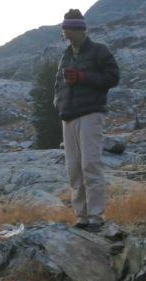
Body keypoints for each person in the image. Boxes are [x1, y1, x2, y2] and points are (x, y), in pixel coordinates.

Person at [54, 9, 120, 232]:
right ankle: (81, 216)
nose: (66, 33)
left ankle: (96, 217)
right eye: (64, 29)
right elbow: (58, 82)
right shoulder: (66, 54)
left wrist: (83, 77)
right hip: (69, 116)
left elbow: (113, 77)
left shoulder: (99, 51)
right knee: (73, 168)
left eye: (69, 29)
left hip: (91, 114)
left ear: (80, 30)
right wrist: (59, 102)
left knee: (90, 165)